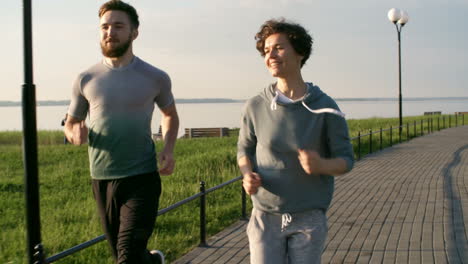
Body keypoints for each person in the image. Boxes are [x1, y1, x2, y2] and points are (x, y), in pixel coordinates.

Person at [64, 1, 179, 263]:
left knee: (126, 256)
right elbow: (71, 123)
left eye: (118, 26)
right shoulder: (86, 79)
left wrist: (168, 149)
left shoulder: (155, 77)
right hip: (102, 177)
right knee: (125, 254)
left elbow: (170, 114)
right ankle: (154, 261)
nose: (110, 32)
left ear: (133, 33)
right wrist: (74, 135)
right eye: (105, 26)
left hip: (142, 177)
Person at [237, 18, 354, 264]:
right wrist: (247, 174)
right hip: (265, 216)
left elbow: (346, 160)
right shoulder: (255, 106)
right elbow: (244, 150)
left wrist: (321, 165)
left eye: (278, 47)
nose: (271, 55)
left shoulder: (325, 106)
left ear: (299, 52)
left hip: (309, 217)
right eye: (266, 51)